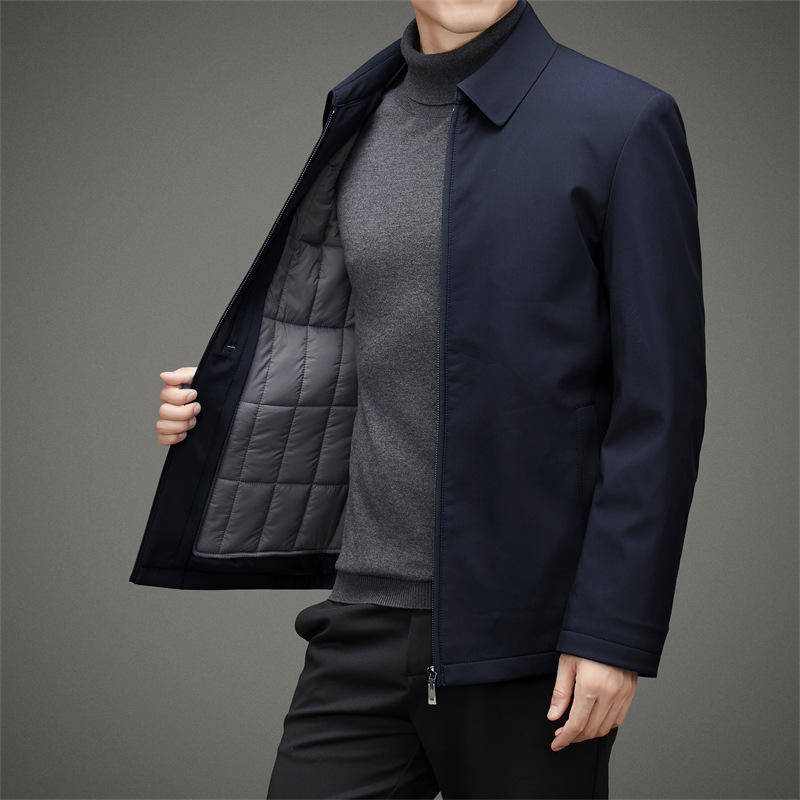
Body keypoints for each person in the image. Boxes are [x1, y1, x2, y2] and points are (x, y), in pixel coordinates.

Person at [136, 1, 706, 797]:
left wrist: (613, 633)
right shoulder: (359, 112)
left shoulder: (622, 121)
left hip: (529, 642)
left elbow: (661, 406)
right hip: (362, 618)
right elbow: (354, 341)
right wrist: (222, 412)